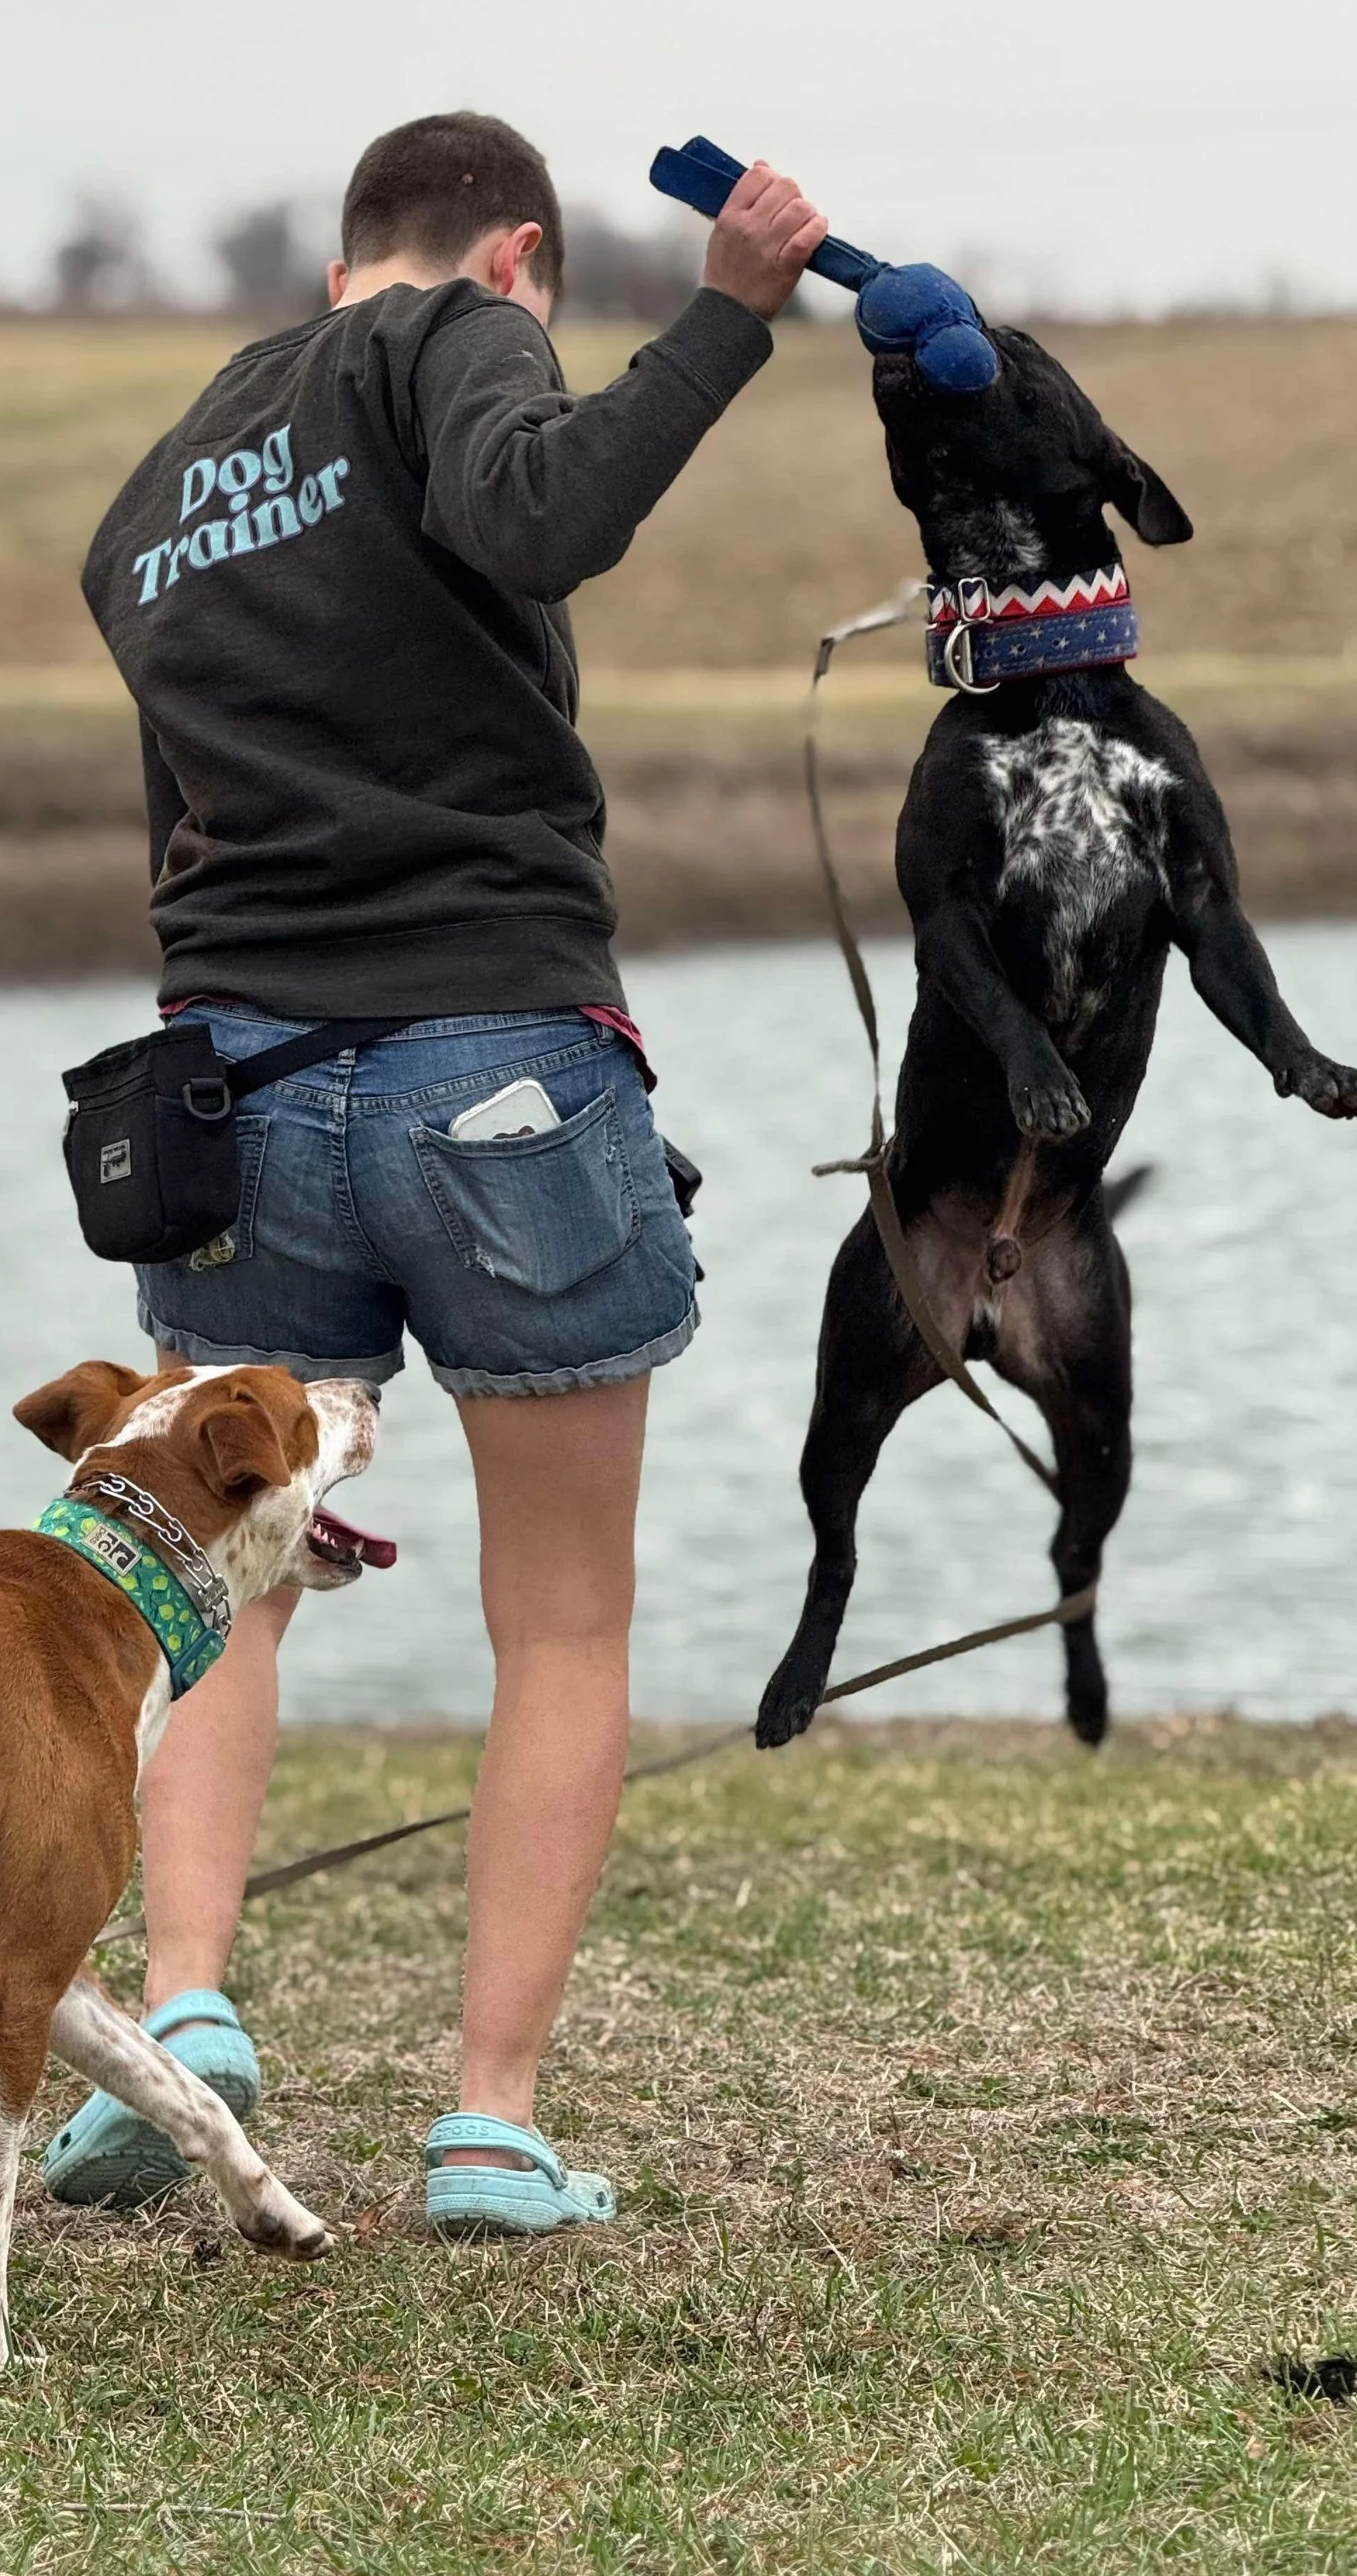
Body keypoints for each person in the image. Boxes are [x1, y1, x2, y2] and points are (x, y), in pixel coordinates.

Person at [49, 111, 825, 2236]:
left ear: (326, 265)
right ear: (511, 262)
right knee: (558, 1621)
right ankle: (487, 2124)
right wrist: (735, 315)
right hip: (494, 1056)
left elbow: (179, 826)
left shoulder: (168, 482)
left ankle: (185, 2010)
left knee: (223, 1586)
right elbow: (542, 513)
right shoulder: (454, 341)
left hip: (235, 1087)